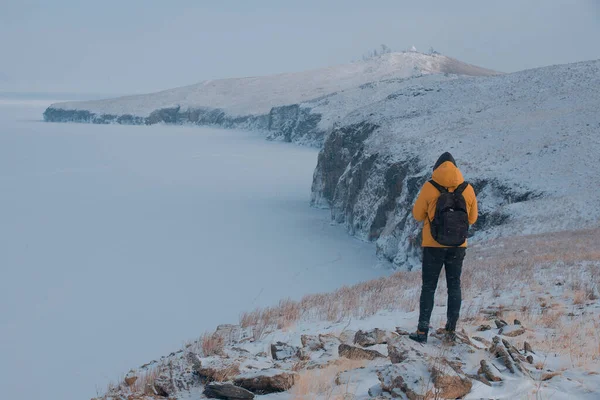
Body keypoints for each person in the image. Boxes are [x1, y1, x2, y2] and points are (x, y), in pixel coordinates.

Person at [409, 152, 478, 343]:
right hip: (458, 246)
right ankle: (450, 331)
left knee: (429, 287)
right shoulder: (468, 189)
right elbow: (472, 219)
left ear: (436, 168)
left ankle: (422, 331)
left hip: (433, 245)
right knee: (454, 285)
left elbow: (417, 214)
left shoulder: (430, 187)